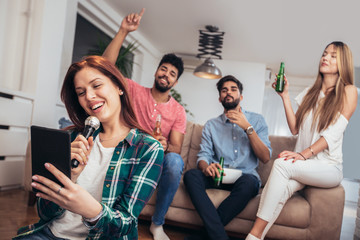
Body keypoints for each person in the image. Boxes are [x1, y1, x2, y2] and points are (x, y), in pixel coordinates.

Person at [14, 56, 164, 240]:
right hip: (50, 234)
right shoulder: (69, 138)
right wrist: (71, 176)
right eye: (81, 92)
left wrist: (91, 210)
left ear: (118, 86)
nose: (90, 97)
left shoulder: (147, 148)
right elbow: (44, 213)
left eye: (97, 85)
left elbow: (126, 224)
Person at [245, 41, 358, 240]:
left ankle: (253, 235)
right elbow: (295, 128)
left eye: (333, 56)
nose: (325, 58)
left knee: (281, 164)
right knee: (281, 191)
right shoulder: (309, 93)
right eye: (324, 53)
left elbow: (333, 133)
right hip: (305, 165)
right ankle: (256, 237)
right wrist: (285, 96)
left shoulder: (349, 91)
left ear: (343, 63)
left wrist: (302, 155)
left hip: (328, 167)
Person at [102, 9, 186, 240]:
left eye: (171, 74)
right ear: (157, 71)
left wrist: (165, 145)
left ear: (175, 82)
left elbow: (177, 148)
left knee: (175, 160)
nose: (165, 75)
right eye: (163, 69)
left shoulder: (178, 111)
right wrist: (123, 31)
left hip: (157, 156)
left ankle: (157, 224)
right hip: (128, 147)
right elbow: (105, 68)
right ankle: (119, 217)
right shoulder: (132, 89)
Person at [184, 75, 272, 240]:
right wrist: (206, 167)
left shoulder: (257, 121)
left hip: (244, 178)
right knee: (191, 175)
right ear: (220, 98)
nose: (228, 93)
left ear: (241, 96)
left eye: (233, 89)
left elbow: (265, 157)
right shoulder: (211, 125)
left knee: (249, 183)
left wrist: (248, 128)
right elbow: (203, 155)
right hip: (218, 176)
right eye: (224, 90)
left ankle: (204, 236)